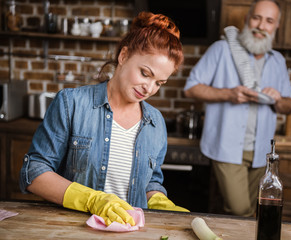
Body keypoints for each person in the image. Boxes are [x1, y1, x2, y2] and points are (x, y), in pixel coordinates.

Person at [19, 11, 188, 227]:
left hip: (131, 232)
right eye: (145, 73)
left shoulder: (155, 122)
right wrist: (93, 200)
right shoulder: (72, 103)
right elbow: (33, 172)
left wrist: (161, 202)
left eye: (159, 83)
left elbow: (150, 182)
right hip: (74, 231)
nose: (149, 88)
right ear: (124, 56)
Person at [183, 0, 291, 217]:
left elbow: (289, 106)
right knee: (239, 210)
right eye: (257, 18)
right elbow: (191, 89)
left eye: (269, 21)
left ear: (276, 26)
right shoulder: (221, 49)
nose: (261, 26)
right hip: (226, 147)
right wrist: (228, 94)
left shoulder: (278, 61)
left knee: (251, 212)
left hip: (262, 151)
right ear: (246, 19)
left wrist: (278, 99)